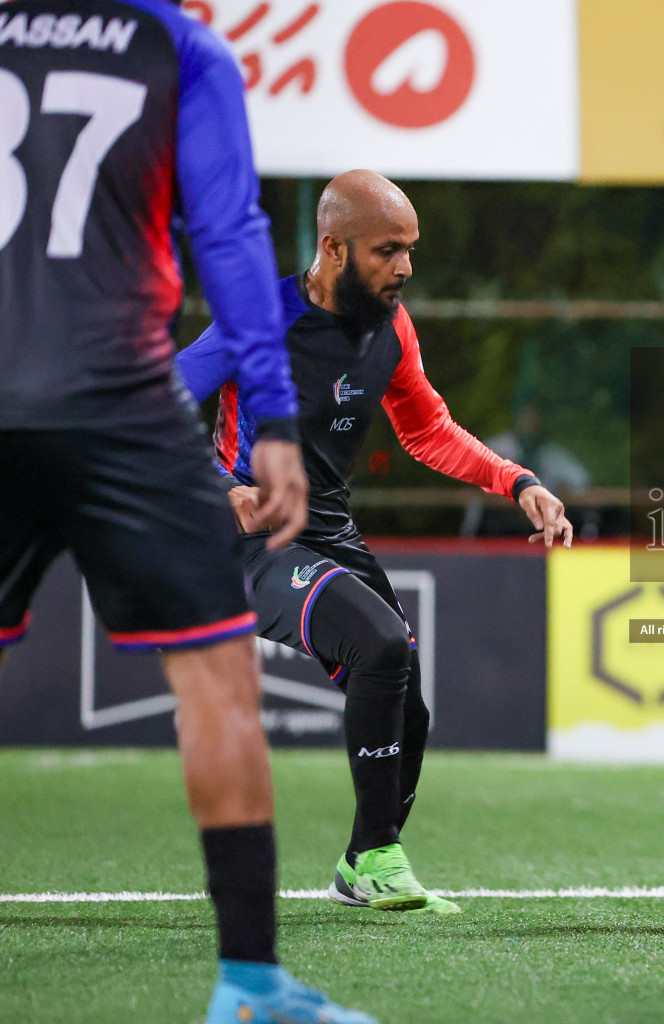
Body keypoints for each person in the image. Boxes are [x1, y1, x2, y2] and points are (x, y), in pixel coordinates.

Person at [0, 2, 375, 1021]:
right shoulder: (181, 46)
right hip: (119, 400)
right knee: (215, 674)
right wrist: (279, 417)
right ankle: (250, 985)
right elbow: (230, 230)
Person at [177, 171, 573, 916]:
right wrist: (216, 487)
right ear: (332, 248)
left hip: (330, 531)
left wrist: (517, 480)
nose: (407, 268)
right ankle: (382, 858)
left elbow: (428, 432)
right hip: (254, 543)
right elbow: (156, 403)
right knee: (384, 645)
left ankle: (363, 862)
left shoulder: (392, 327)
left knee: (408, 709)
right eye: (389, 251)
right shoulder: (255, 317)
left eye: (411, 250)